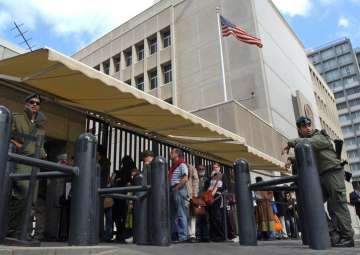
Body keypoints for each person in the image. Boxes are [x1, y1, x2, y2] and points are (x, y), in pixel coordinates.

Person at [282, 116, 354, 247]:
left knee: (337, 206)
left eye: (309, 125)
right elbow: (309, 151)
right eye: (304, 126)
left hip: (333, 172)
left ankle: (347, 237)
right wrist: (292, 159)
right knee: (313, 203)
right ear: (299, 129)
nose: (308, 128)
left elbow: (311, 144)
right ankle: (334, 233)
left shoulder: (320, 136)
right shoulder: (307, 141)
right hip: (322, 176)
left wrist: (290, 143)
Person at [8, 93, 47, 241]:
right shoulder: (17, 118)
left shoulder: (40, 127)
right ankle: (13, 230)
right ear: (25, 104)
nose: (34, 105)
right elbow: (8, 136)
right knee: (20, 195)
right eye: (31, 102)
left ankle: (25, 231)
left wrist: (44, 157)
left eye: (37, 103)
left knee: (31, 200)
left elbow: (41, 147)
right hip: (21, 161)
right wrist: (18, 146)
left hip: (35, 164)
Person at [111, 156, 136, 243]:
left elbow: (114, 182)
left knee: (118, 217)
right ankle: (126, 235)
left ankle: (119, 235)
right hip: (127, 197)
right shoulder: (132, 171)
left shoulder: (121, 171)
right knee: (125, 217)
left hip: (118, 197)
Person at [169, 148, 189, 243]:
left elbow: (185, 179)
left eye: (172, 152)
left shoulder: (182, 164)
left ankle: (183, 236)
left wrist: (176, 188)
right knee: (172, 214)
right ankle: (174, 235)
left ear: (177, 154)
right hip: (173, 189)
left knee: (181, 213)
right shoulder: (173, 166)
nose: (170, 154)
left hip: (179, 190)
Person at [97, 145, 113, 242]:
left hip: (101, 190)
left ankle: (102, 234)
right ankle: (107, 234)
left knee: (101, 213)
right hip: (105, 190)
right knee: (107, 214)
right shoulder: (106, 163)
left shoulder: (100, 163)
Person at [207, 162, 226, 242]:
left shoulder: (222, 176)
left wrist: (216, 190)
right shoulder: (212, 177)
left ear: (219, 168)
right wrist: (211, 177)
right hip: (210, 196)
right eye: (213, 167)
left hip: (217, 197)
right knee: (211, 217)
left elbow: (224, 187)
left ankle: (220, 235)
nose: (214, 169)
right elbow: (207, 185)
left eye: (216, 167)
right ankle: (213, 235)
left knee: (216, 216)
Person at [195, 164, 210, 242]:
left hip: (204, 201)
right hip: (197, 201)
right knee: (198, 220)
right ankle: (199, 236)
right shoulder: (195, 179)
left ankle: (206, 236)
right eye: (199, 169)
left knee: (205, 219)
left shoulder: (207, 180)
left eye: (203, 169)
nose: (201, 170)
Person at [186, 165, 199, 242]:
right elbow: (196, 180)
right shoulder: (190, 167)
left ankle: (190, 234)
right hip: (190, 193)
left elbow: (195, 180)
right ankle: (191, 234)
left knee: (190, 215)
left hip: (189, 194)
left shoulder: (190, 167)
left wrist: (195, 193)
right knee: (191, 215)